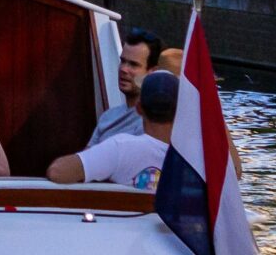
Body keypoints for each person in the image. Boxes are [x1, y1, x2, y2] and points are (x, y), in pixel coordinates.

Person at [47, 69, 180, 189]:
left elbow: (57, 172)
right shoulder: (193, 156)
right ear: (179, 111)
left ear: (139, 108)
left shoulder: (121, 147)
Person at [91, 28, 163, 142]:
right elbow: (86, 158)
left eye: (133, 65)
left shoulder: (154, 124)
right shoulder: (107, 117)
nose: (123, 69)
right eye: (123, 61)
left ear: (152, 72)